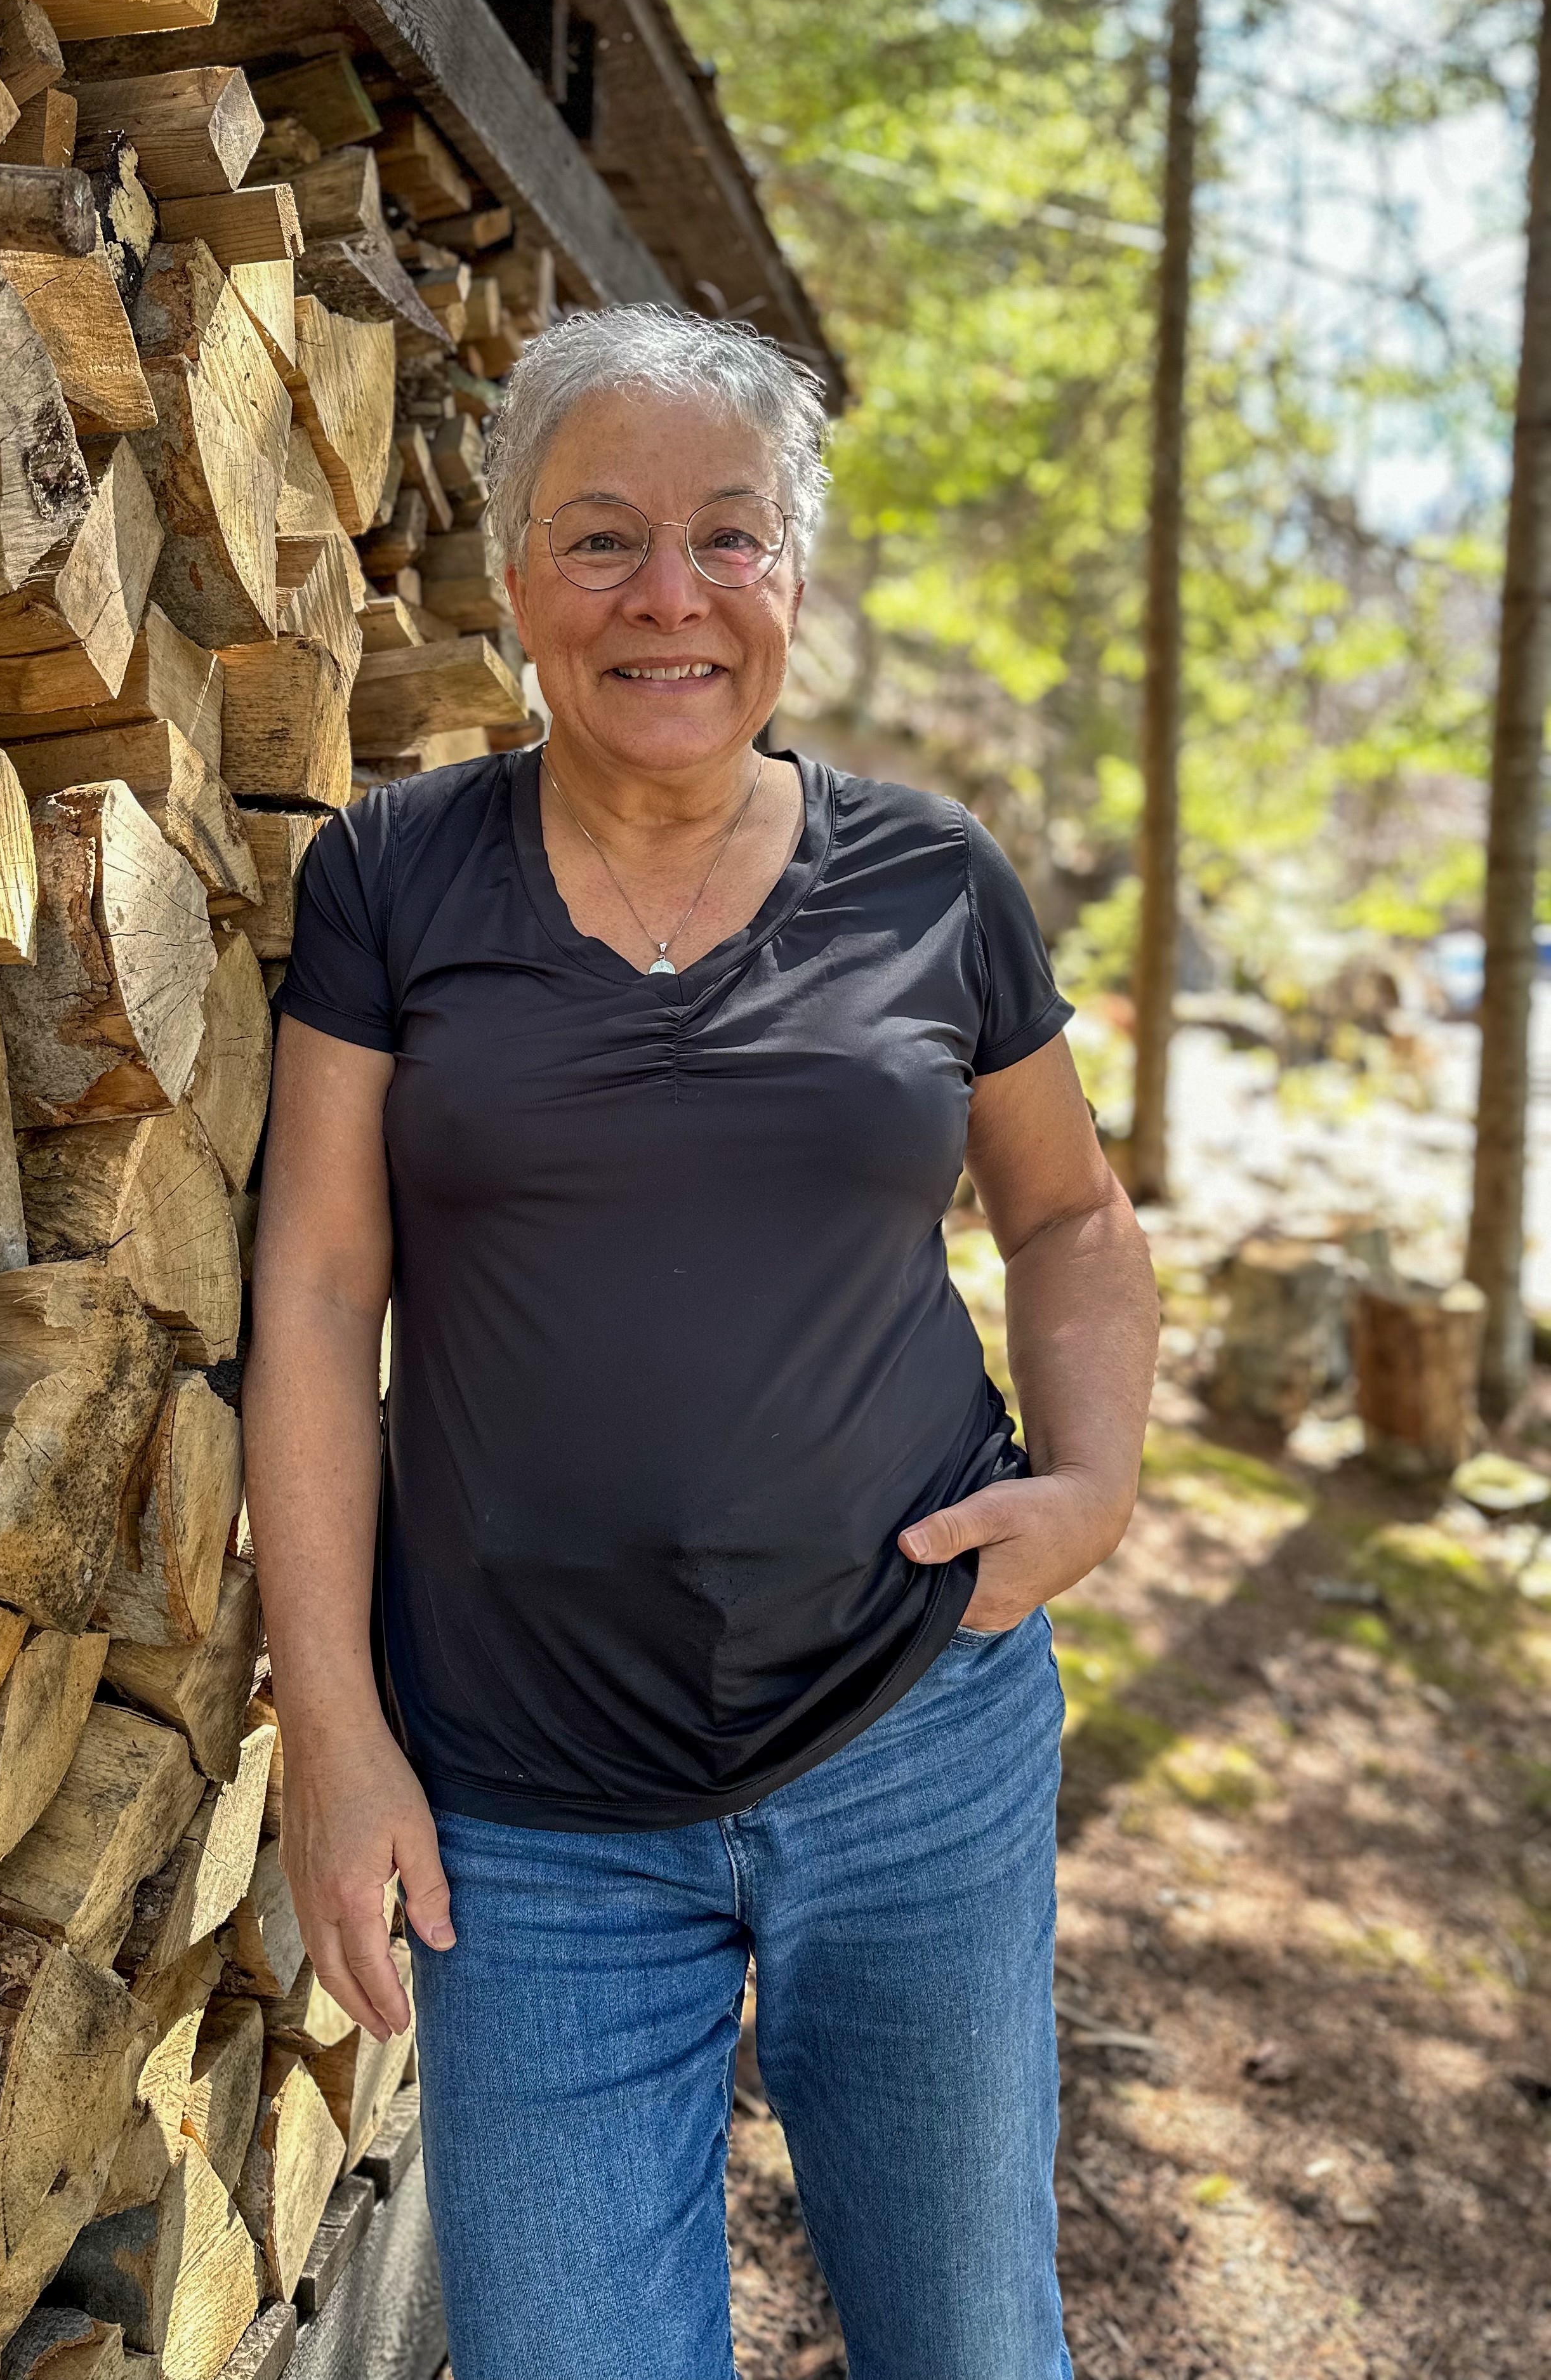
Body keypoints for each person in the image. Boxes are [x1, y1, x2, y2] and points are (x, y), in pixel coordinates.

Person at [244, 305, 1159, 2380]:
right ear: (512, 585)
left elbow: (1071, 1216)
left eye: (728, 539)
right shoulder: (392, 884)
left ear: (795, 583)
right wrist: (333, 1729)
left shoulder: (934, 882)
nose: (670, 596)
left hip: (914, 1742)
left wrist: (1092, 1486)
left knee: (970, 2345)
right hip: (525, 1808)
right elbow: (312, 1290)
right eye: (603, 540)